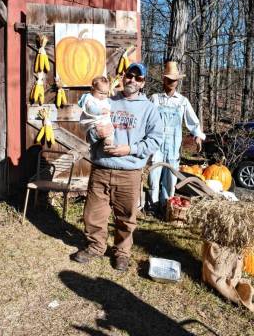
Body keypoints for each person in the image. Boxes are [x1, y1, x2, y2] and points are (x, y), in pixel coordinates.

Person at [73, 63, 163, 272]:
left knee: (126, 217)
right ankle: (96, 246)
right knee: (93, 214)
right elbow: (88, 129)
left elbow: (156, 140)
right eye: (129, 75)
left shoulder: (149, 108)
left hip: (129, 172)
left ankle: (121, 252)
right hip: (101, 167)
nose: (132, 80)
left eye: (138, 78)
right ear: (123, 77)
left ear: (143, 83)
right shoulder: (106, 101)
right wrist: (97, 134)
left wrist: (130, 149)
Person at [148, 61, 205, 215]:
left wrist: (197, 136)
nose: (171, 83)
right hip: (157, 144)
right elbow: (146, 119)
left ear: (177, 82)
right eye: (169, 79)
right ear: (164, 80)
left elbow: (193, 121)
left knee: (170, 180)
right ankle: (153, 206)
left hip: (173, 146)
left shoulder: (182, 101)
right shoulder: (155, 98)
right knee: (154, 177)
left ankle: (167, 207)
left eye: (174, 80)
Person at [78, 76, 113, 146]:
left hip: (103, 121)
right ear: (92, 90)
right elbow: (90, 109)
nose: (103, 96)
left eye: (105, 93)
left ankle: (108, 140)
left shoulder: (105, 100)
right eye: (100, 93)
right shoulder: (89, 99)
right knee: (98, 130)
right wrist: (100, 111)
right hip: (92, 122)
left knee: (110, 129)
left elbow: (109, 105)